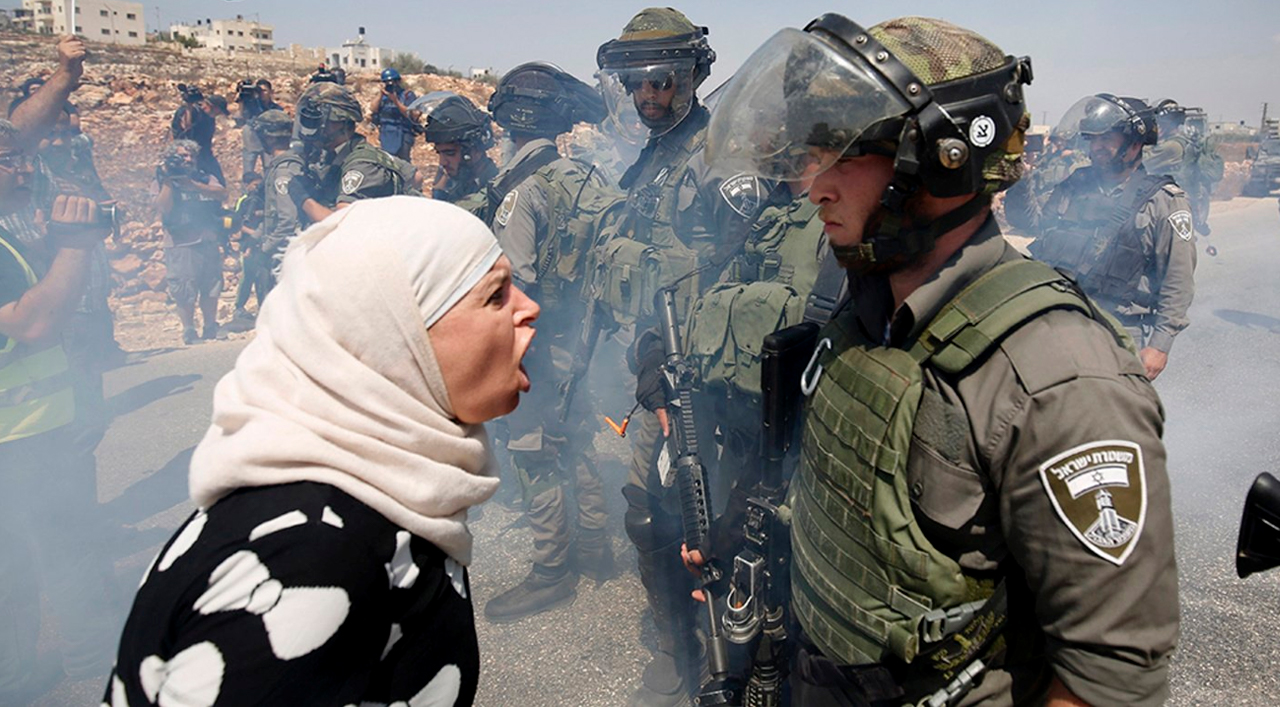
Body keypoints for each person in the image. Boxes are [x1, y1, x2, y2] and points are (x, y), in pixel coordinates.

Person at [703, 14, 1178, 706]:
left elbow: (1109, 676)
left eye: (840, 154)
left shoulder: (1060, 378)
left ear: (938, 160)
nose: (812, 187)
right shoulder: (865, 307)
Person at [103, 197, 539, 707]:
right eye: (495, 295)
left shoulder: (375, 497)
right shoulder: (311, 558)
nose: (528, 307)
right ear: (392, 337)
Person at [594, 9, 773, 704]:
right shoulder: (656, 156)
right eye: (636, 83)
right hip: (660, 364)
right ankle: (680, 647)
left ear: (694, 76)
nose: (647, 95)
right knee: (647, 513)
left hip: (710, 381)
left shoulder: (718, 159)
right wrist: (648, 359)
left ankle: (730, 659)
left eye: (662, 81)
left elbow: (740, 277)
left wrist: (689, 378)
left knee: (715, 524)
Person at [0, 41, 125, 702]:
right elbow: (34, 322)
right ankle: (95, 662)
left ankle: (17, 675)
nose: (24, 167)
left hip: (32, 427)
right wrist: (75, 244)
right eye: (10, 160)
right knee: (64, 546)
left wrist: (66, 75)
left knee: (17, 559)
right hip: (21, 437)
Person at [476, 62, 618, 623]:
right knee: (577, 441)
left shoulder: (523, 189)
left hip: (536, 345)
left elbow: (515, 287)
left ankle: (551, 571)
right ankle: (596, 549)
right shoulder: (589, 179)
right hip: (582, 345)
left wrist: (503, 360)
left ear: (513, 123)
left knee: (535, 454)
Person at [1005, 93, 1196, 380]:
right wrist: (1021, 179)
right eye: (1093, 140)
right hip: (1058, 319)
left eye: (1106, 139)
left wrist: (1160, 344)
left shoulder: (1163, 201)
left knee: (1109, 406)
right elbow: (1030, 222)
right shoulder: (1075, 185)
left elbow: (1177, 278)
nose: (1097, 147)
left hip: (1117, 331)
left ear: (1135, 144)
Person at [287, 83, 419, 225]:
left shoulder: (361, 164)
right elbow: (416, 176)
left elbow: (342, 224)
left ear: (341, 123)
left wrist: (304, 199)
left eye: (319, 121)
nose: (314, 128)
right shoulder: (335, 154)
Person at [226, 109, 305, 333]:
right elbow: (273, 215)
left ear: (268, 137)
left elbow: (287, 220)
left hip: (285, 254)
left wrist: (265, 247)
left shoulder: (283, 169)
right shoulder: (279, 166)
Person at [155, 139, 228, 345]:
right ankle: (188, 329)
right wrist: (169, 181)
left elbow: (222, 194)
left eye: (191, 156)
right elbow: (162, 207)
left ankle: (210, 326)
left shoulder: (204, 177)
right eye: (182, 156)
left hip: (208, 239)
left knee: (212, 285)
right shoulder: (162, 180)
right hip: (181, 243)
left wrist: (194, 185)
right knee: (183, 288)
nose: (188, 160)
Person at [1145, 100, 1223, 236]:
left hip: (1171, 202)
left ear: (1167, 123)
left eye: (1159, 122)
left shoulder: (1172, 146)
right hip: (1179, 199)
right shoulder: (1183, 141)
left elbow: (1142, 159)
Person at [414, 91, 498, 204]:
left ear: (476, 150)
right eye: (439, 153)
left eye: (450, 153)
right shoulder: (461, 182)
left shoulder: (495, 190)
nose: (442, 162)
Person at [171, 85, 228, 186]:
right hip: (188, 153)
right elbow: (186, 126)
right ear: (213, 107)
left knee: (219, 183)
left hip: (204, 154)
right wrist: (189, 107)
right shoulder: (192, 111)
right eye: (218, 111)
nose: (218, 114)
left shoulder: (208, 116)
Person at [235, 78, 283, 180]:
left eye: (264, 91)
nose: (261, 93)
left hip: (268, 138)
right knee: (248, 166)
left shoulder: (276, 108)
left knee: (269, 167)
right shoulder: (251, 104)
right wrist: (241, 100)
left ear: (271, 92)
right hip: (251, 136)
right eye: (259, 91)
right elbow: (240, 117)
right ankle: (247, 187)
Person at [371, 68, 420, 161]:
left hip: (403, 132)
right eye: (387, 82)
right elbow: (373, 109)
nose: (390, 85)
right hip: (386, 133)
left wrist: (395, 101)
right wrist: (381, 94)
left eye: (392, 82)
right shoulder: (383, 96)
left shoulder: (407, 95)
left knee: (403, 161)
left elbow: (410, 114)